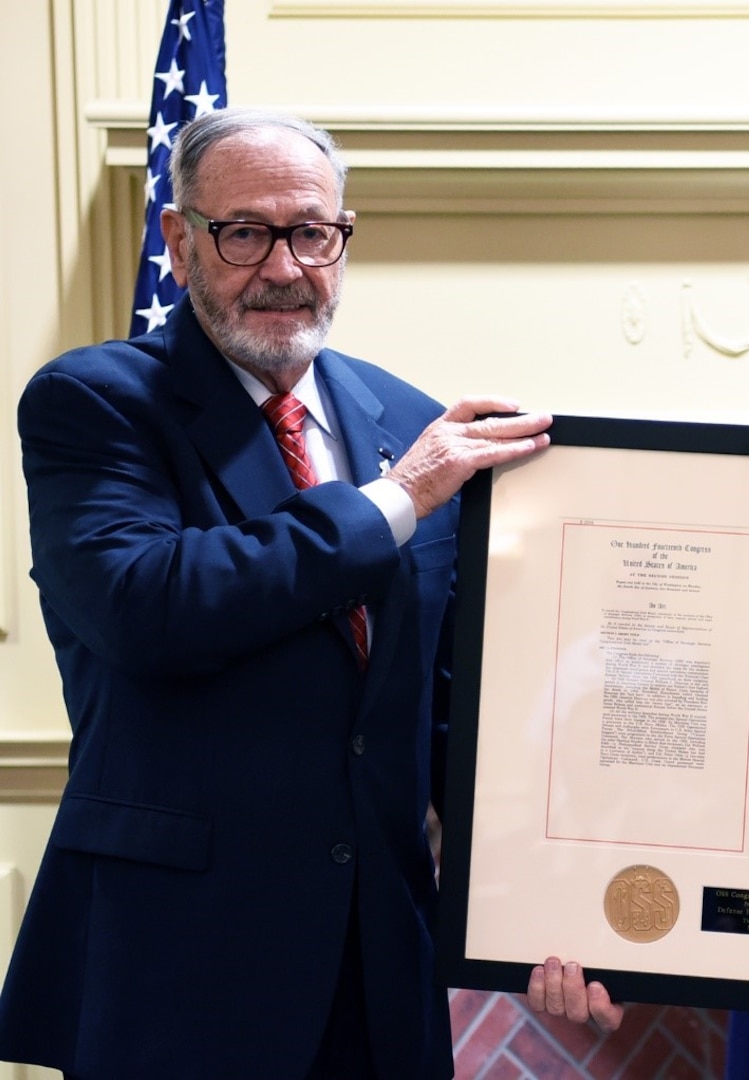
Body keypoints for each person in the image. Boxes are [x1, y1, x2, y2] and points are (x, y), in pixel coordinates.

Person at [0, 108, 620, 1079]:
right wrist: (394, 500)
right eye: (245, 232)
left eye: (312, 233)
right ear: (178, 241)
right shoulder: (98, 401)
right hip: (177, 966)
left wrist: (546, 902)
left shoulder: (405, 418)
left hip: (379, 968)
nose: (285, 267)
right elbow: (147, 606)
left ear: (342, 236)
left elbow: (457, 712)